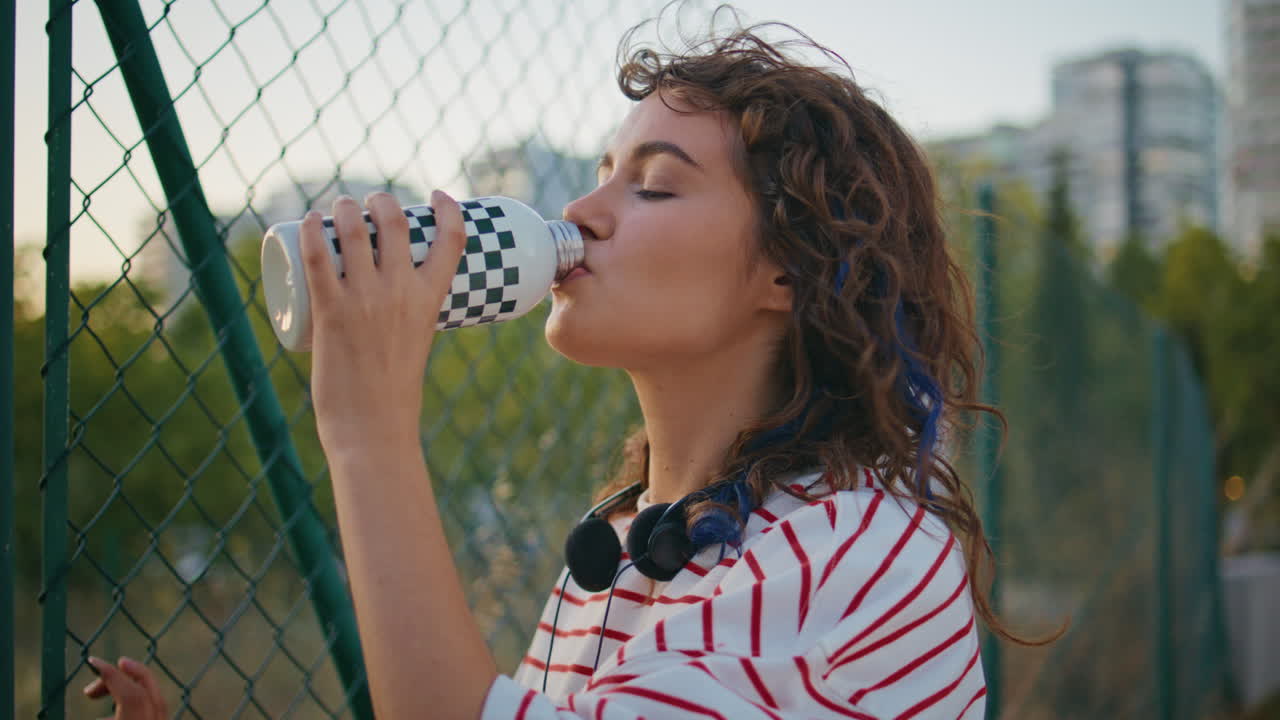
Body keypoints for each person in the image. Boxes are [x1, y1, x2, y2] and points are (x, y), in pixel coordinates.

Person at [85, 8, 1042, 719]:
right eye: (599, 175)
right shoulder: (631, 543)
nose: (583, 215)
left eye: (654, 186)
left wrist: (369, 435)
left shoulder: (861, 550)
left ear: (788, 270)